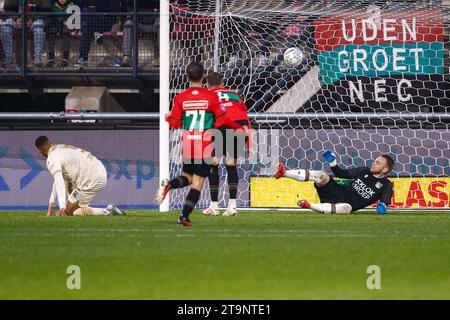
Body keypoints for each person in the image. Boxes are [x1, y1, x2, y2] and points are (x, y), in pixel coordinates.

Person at [156, 61, 245, 227]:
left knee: (188, 177)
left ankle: (171, 185)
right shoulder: (210, 96)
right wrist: (238, 128)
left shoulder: (181, 97)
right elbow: (222, 119)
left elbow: (175, 123)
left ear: (187, 77)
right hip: (205, 145)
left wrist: (168, 117)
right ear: (203, 77)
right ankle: (184, 216)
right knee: (197, 183)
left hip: (188, 144)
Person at [275, 150, 394, 214]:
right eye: (375, 161)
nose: (373, 163)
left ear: (385, 169)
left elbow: (384, 201)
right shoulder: (364, 170)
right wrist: (333, 163)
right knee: (321, 175)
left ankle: (309, 205)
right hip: (337, 190)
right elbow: (341, 174)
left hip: (344, 204)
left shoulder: (386, 184)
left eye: (378, 163)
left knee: (346, 208)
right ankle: (284, 173)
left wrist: (382, 206)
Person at [35, 136, 125, 217]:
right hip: (99, 169)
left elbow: (59, 181)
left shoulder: (52, 157)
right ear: (50, 142)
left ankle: (107, 211)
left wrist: (62, 206)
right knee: (72, 207)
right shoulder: (61, 147)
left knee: (68, 212)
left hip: (91, 178)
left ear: (41, 151)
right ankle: (108, 210)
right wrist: (52, 202)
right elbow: (58, 179)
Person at [202, 72, 251, 216]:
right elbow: (245, 116)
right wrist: (248, 141)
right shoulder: (236, 94)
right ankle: (232, 207)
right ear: (223, 84)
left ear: (207, 85)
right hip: (240, 125)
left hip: (222, 124)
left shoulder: (207, 96)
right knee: (231, 164)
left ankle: (214, 207)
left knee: (213, 163)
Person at [74, 0, 126, 68]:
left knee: (104, 37)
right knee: (86, 29)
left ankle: (120, 58)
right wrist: (77, 26)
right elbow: (78, 7)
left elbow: (115, 7)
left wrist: (116, 23)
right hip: (88, 23)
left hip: (105, 21)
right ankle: (83, 58)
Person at [0, 0, 49, 67]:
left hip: (35, 19)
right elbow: (8, 8)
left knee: (39, 27)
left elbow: (46, 9)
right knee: (5, 27)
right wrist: (16, 18)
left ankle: (37, 58)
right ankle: (8, 59)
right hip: (16, 19)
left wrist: (32, 19)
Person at [46, 0, 73, 67]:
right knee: (51, 32)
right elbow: (50, 19)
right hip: (55, 25)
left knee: (66, 32)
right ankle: (51, 58)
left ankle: (65, 58)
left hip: (66, 26)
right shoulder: (53, 6)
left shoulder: (71, 6)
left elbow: (73, 19)